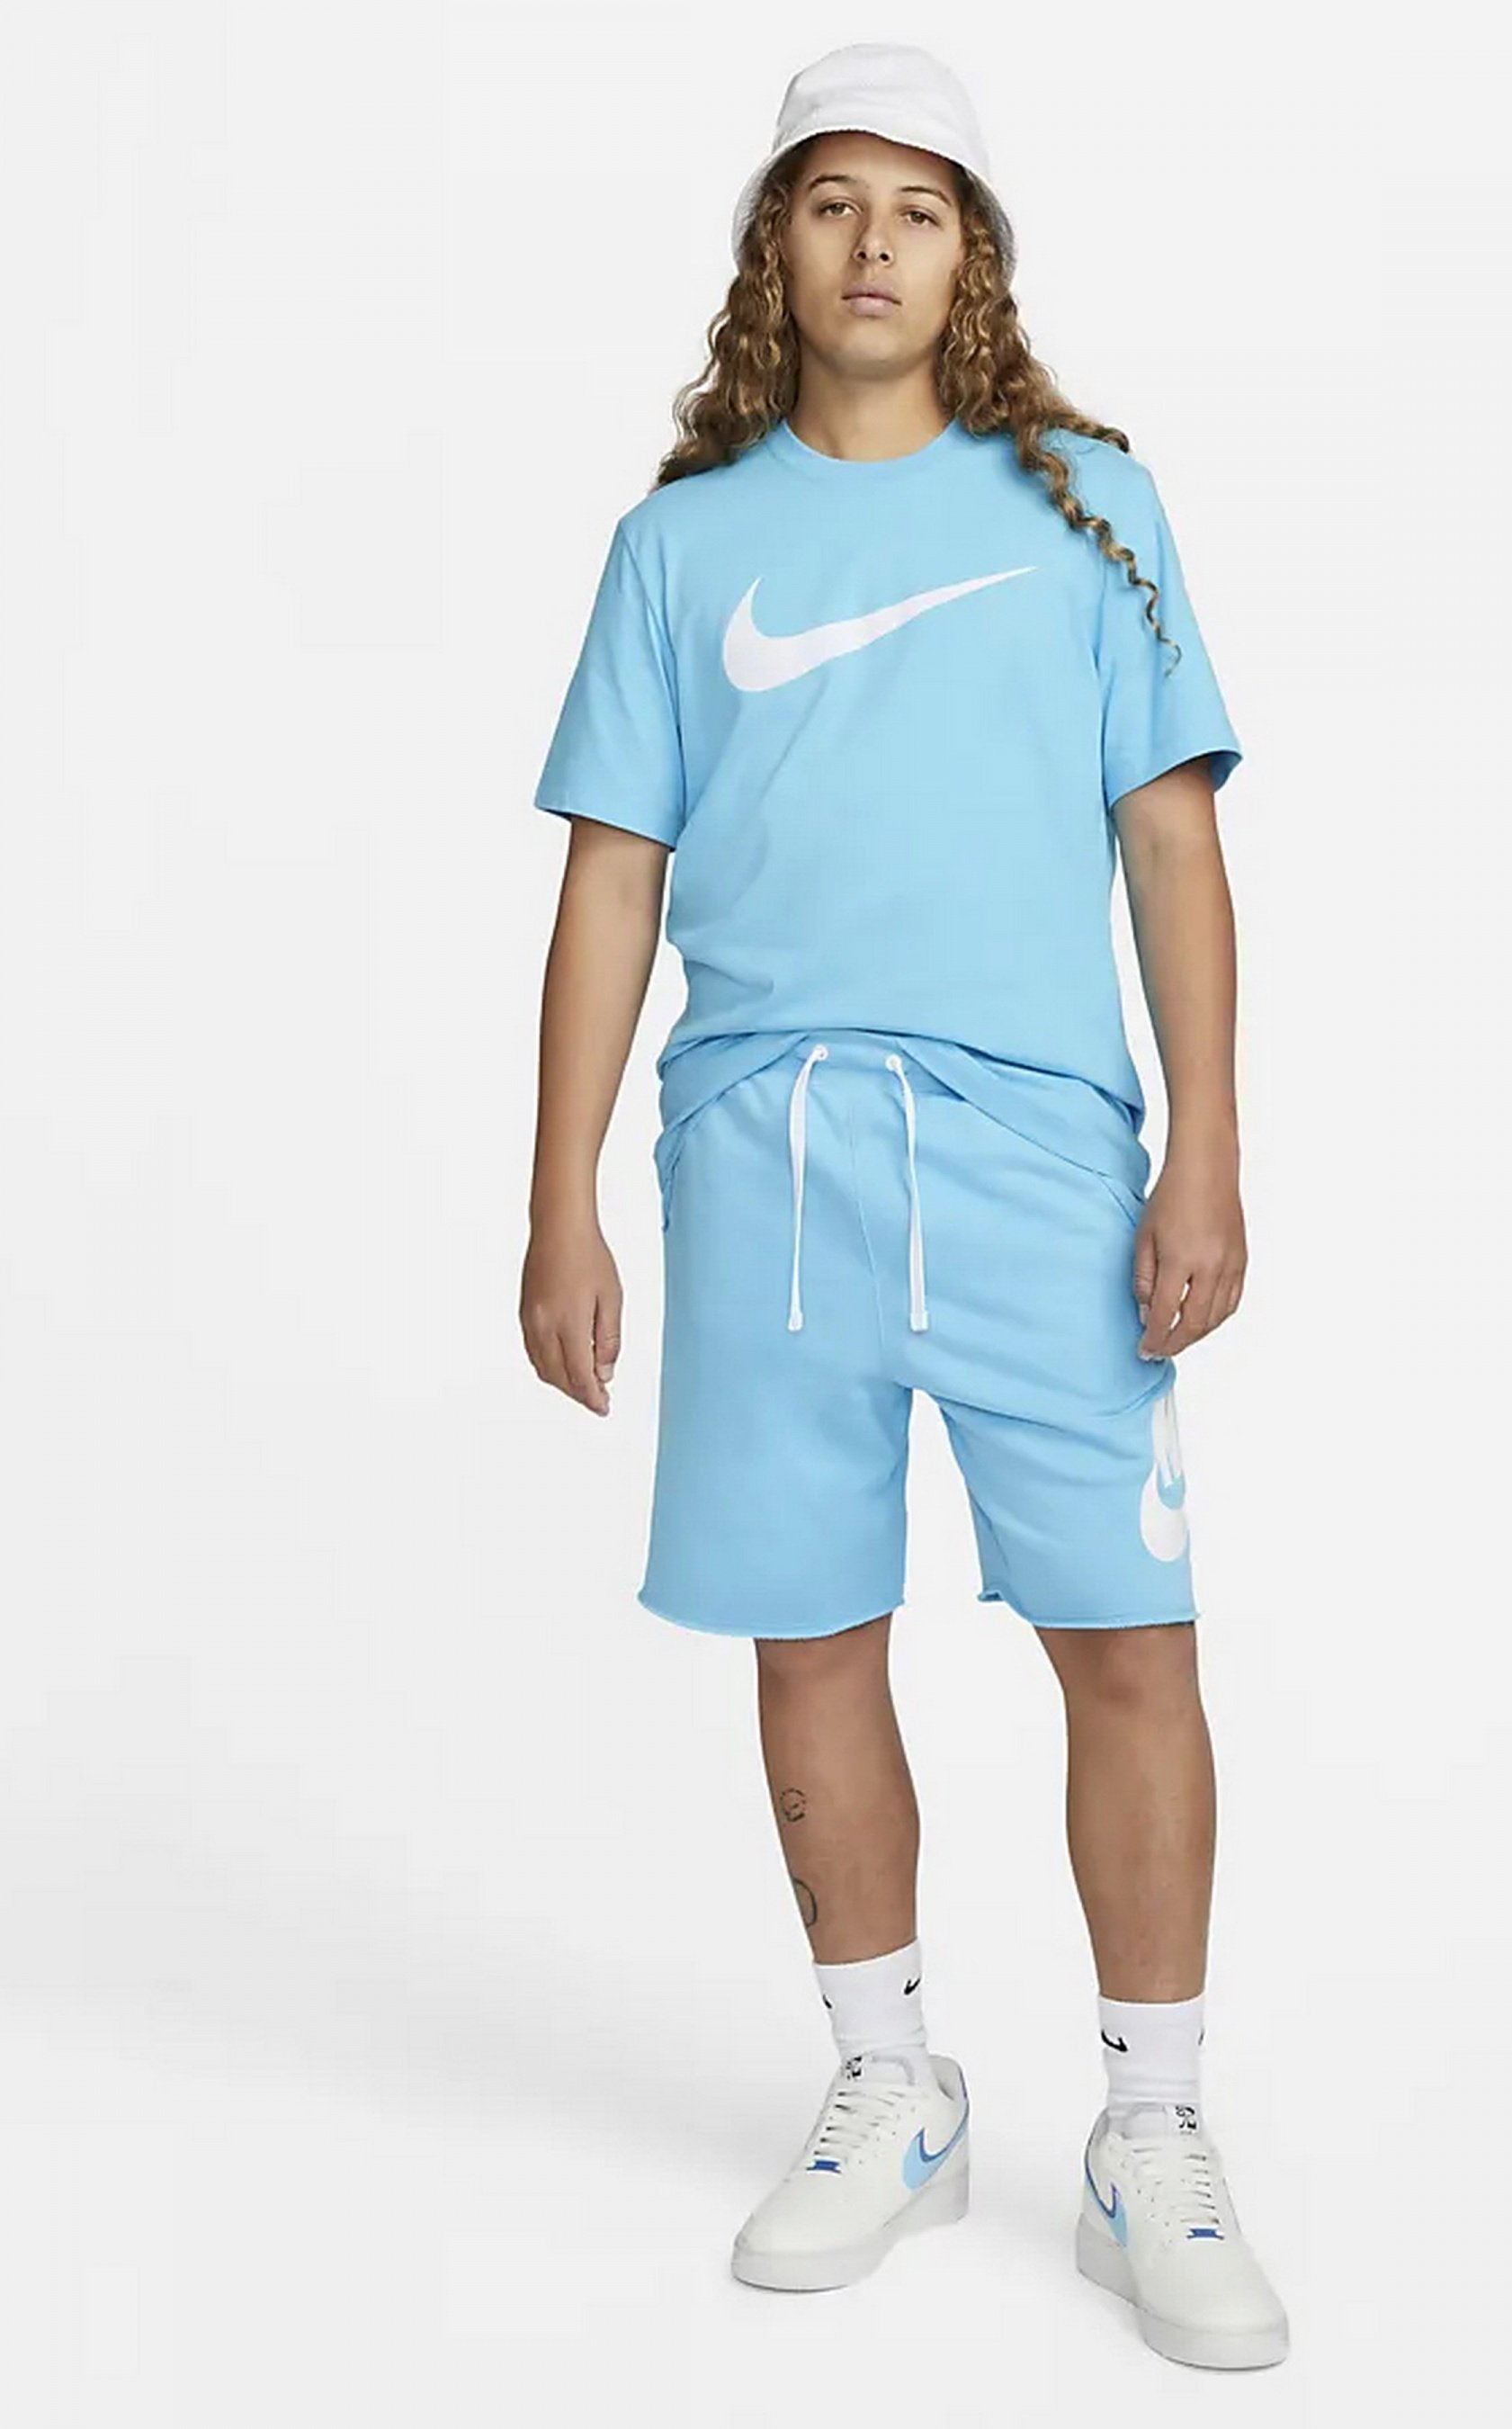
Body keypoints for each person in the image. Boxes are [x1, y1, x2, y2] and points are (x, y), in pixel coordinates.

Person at [519, 40, 1289, 2373]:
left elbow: (1170, 841)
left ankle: (1151, 2125)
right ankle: (890, 2081)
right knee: (810, 1630)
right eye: (830, 200)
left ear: (975, 261)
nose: (872, 242)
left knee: (1127, 1638)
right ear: (775, 245)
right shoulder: (678, 547)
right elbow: (609, 880)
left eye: (919, 208)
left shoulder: (1087, 507)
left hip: (1040, 1152)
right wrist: (560, 1201)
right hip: (763, 1159)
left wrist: (1205, 1145)